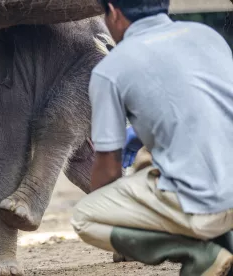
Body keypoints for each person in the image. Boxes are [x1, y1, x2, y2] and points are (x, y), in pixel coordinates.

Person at [70, 1, 233, 275]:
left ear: (113, 11)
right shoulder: (208, 36)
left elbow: (108, 166)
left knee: (86, 216)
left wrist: (120, 213)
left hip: (203, 202)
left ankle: (201, 254)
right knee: (159, 161)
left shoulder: (110, 69)